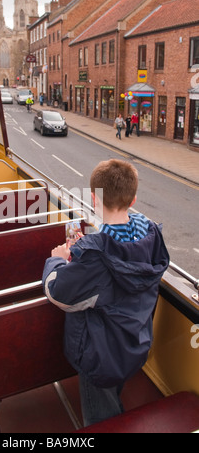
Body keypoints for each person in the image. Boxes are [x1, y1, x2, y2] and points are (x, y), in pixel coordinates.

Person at [42, 159, 169, 427]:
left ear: (94, 198)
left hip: (100, 358)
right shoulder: (152, 236)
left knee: (100, 420)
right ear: (133, 200)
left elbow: (57, 292)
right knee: (114, 395)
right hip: (135, 346)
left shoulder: (94, 256)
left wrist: (58, 259)